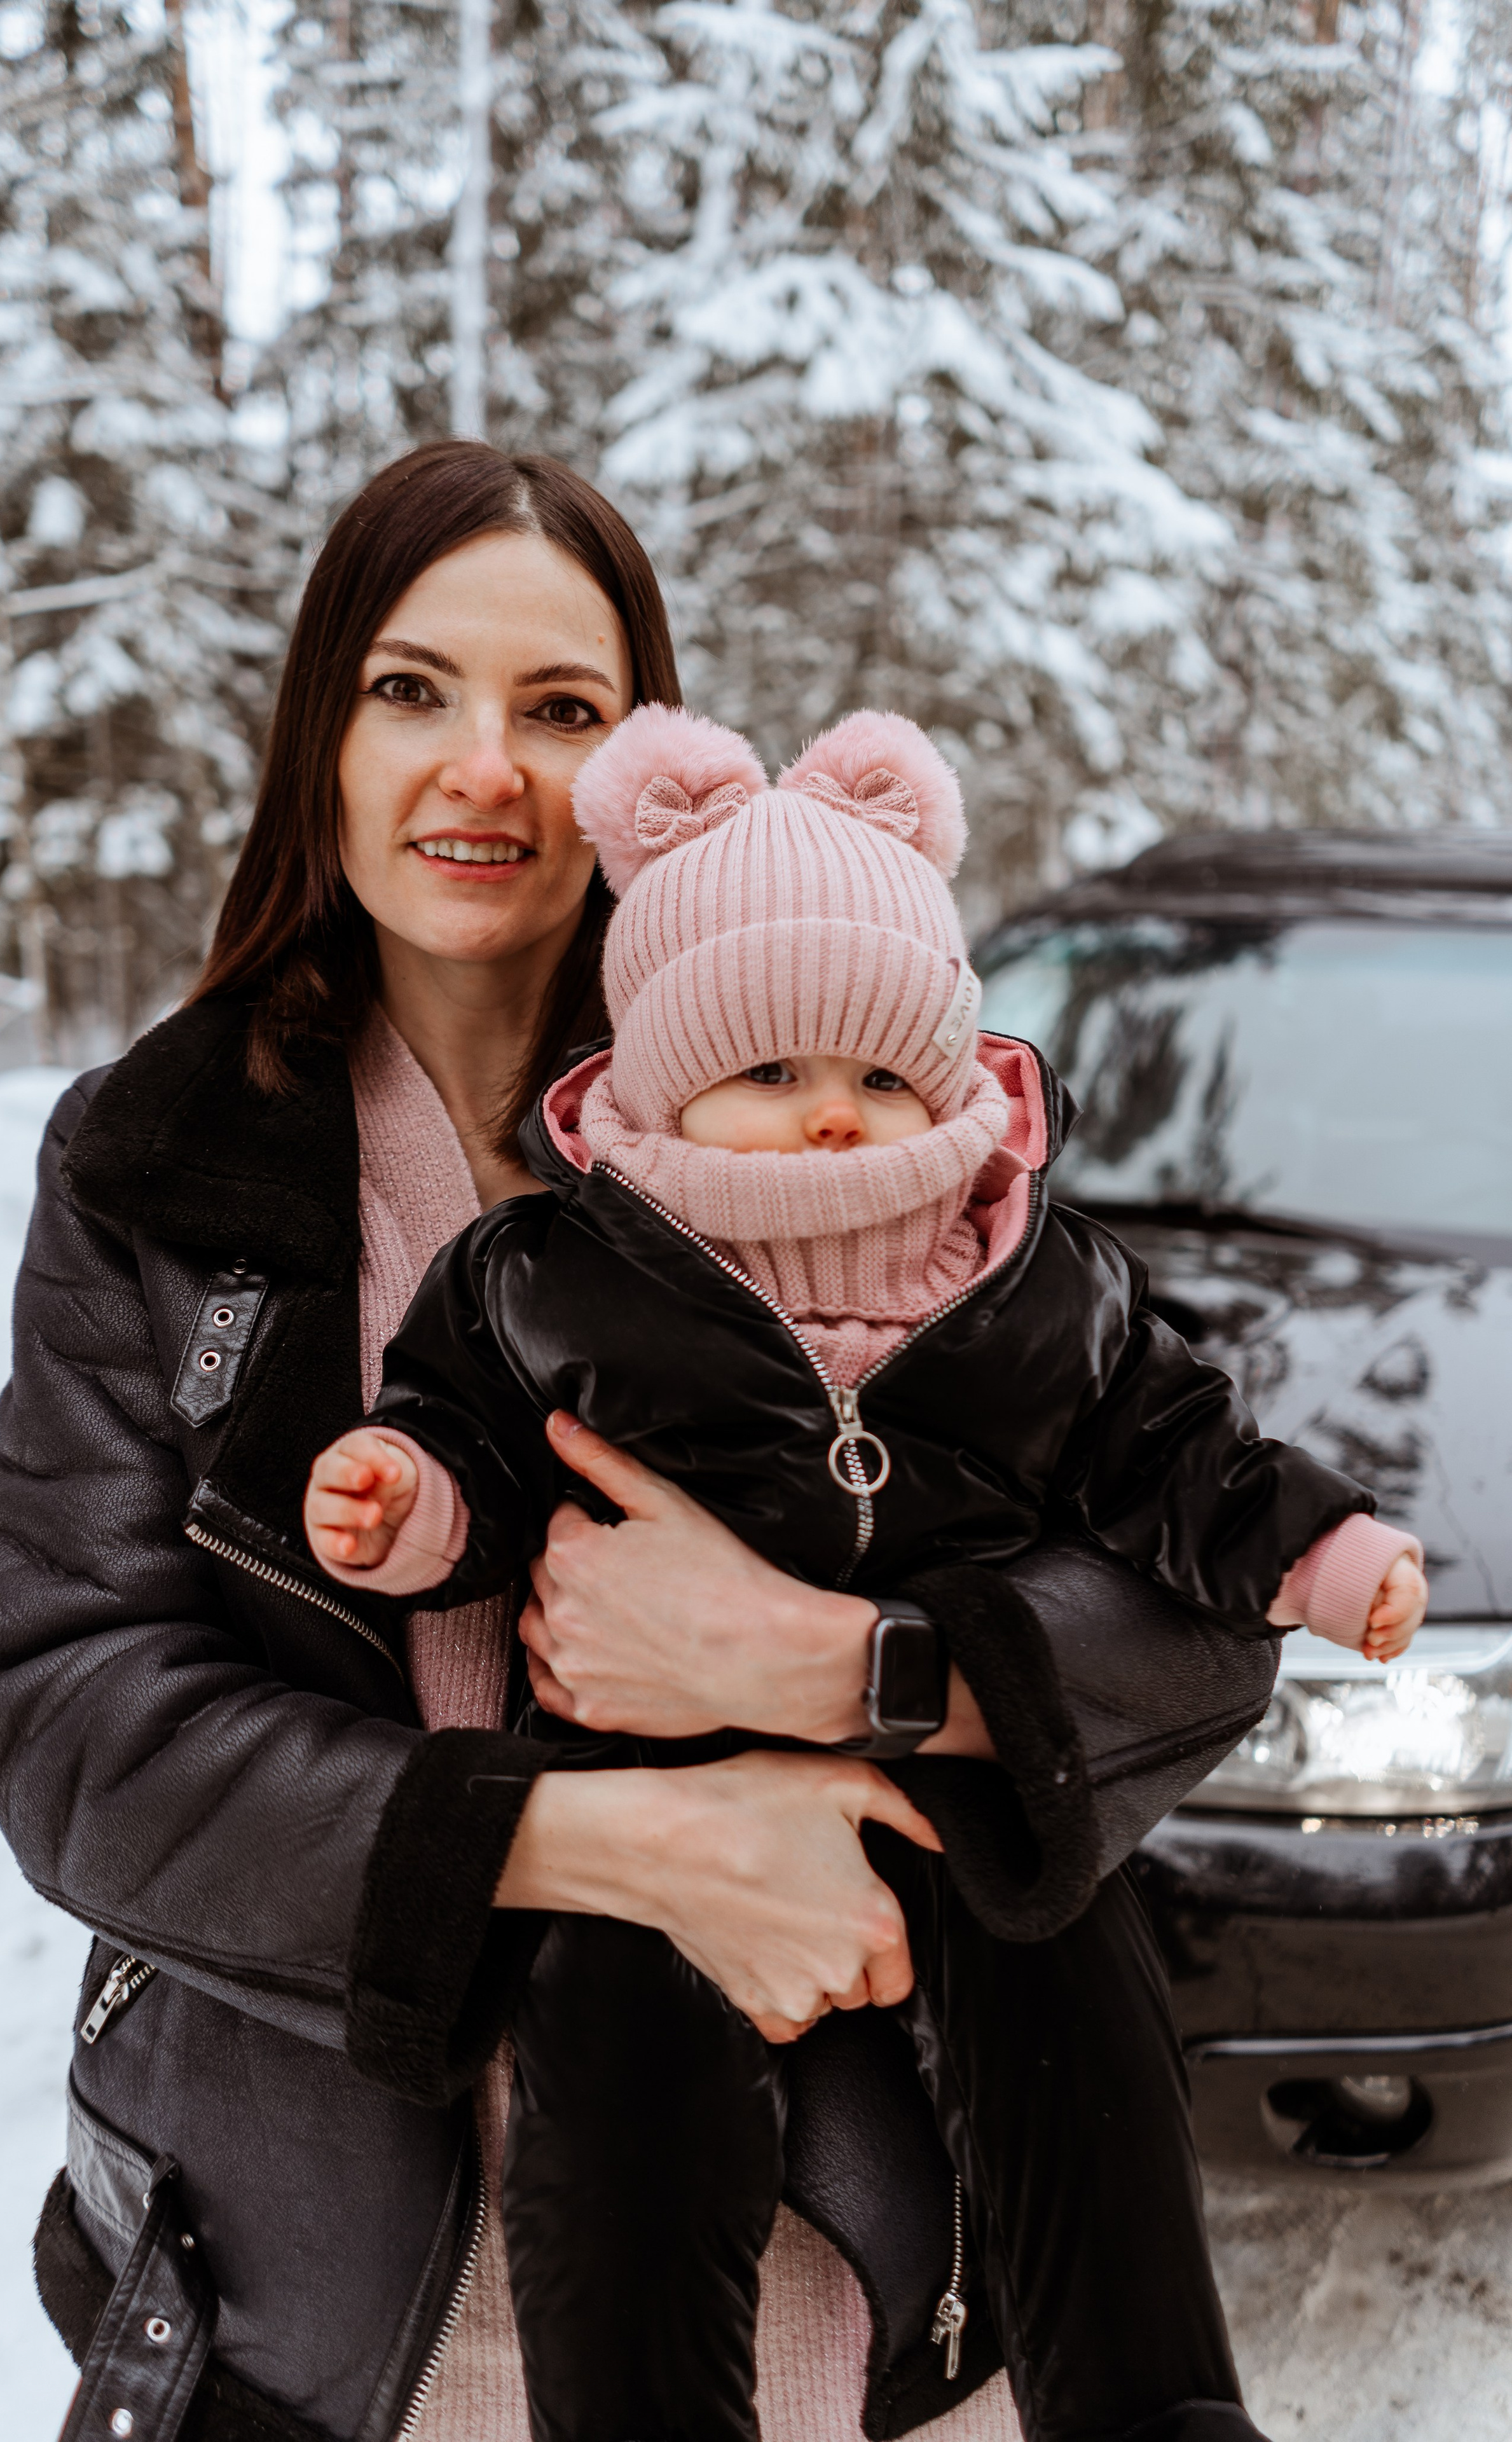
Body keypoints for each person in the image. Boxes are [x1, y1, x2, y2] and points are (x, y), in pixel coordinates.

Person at [0, 439, 1277, 2442]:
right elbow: (64, 1700)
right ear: (321, 735)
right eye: (412, 690)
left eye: (559, 709)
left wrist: (849, 1668)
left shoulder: (829, 1103)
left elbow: (1202, 1601)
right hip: (332, 2320)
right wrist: (604, 1843)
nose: (483, 769)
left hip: (845, 2281)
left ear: (640, 765)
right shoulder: (162, 1164)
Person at [303, 701, 1427, 2442]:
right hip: (652, 1794)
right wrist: (412, 1501)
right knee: (624, 2079)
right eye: (770, 1074)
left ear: (949, 1072)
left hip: (955, 1779)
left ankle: (1153, 2405)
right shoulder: (562, 1271)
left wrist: (1323, 1550)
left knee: (1079, 2000)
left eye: (881, 1075)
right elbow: (468, 1432)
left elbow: (1176, 1451)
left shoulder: (1029, 1273)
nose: (834, 1120)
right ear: (664, 1075)